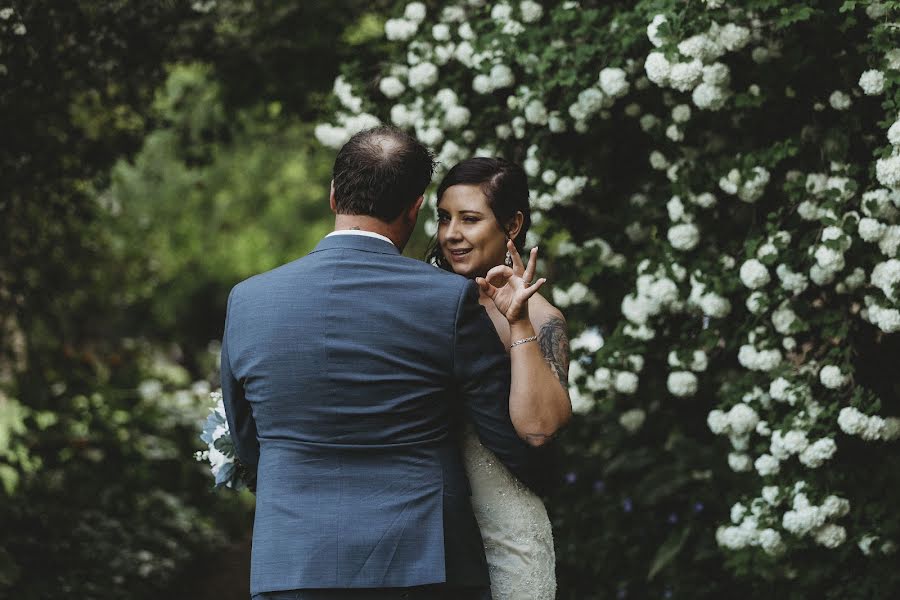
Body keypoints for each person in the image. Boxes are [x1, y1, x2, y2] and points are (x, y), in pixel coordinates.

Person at [220, 126, 562, 600]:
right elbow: (502, 432)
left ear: (334, 194)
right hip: (420, 562)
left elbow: (246, 438)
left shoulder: (248, 300)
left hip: (294, 560)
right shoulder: (448, 299)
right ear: (416, 208)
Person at [427, 157, 571, 600]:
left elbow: (540, 429)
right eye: (444, 218)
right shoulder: (418, 297)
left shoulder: (544, 319)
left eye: (469, 219)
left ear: (511, 225)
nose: (452, 234)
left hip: (507, 527)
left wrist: (519, 323)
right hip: (429, 527)